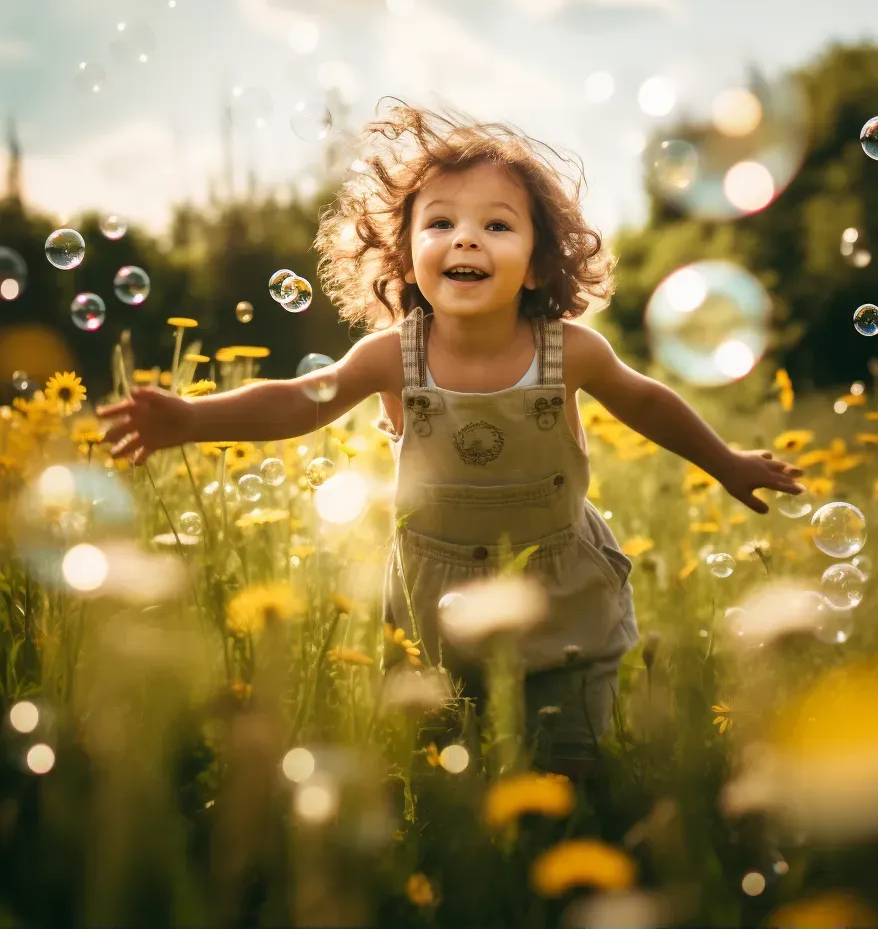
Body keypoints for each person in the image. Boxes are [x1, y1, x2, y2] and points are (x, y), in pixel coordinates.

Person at [96, 101, 804, 778]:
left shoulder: (570, 351)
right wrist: (193, 420)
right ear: (405, 257)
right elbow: (297, 404)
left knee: (571, 758)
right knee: (442, 763)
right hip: (434, 596)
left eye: (497, 226)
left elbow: (648, 402)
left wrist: (728, 463)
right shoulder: (391, 356)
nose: (465, 238)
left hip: (561, 586)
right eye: (440, 224)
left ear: (538, 263)